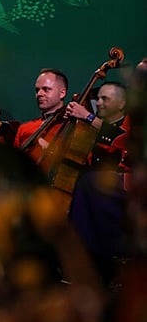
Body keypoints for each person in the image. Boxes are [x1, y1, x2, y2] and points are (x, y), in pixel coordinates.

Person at [64, 81, 131, 286]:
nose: (98, 103)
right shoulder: (91, 129)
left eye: (105, 99)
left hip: (129, 183)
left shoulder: (132, 123)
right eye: (98, 98)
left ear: (122, 104)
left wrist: (87, 116)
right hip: (103, 187)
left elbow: (120, 138)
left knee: (90, 183)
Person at [13, 68, 68, 161]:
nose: (39, 94)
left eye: (46, 89)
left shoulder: (72, 127)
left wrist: (52, 151)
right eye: (37, 90)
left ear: (62, 93)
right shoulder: (24, 128)